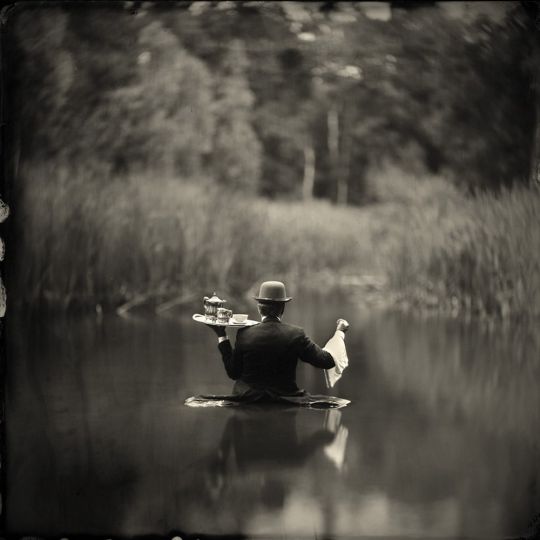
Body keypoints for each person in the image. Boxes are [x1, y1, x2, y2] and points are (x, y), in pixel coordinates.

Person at [200, 280, 350, 407]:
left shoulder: (244, 333)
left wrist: (221, 334)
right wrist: (340, 333)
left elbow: (233, 373)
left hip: (247, 400)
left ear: (259, 307)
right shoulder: (296, 335)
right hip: (285, 401)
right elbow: (327, 361)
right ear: (282, 308)